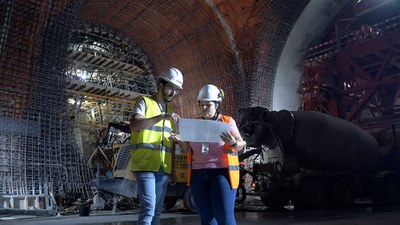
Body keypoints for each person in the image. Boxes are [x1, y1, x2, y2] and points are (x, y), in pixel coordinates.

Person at [173, 84, 246, 225]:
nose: (204, 108)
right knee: (207, 219)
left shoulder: (227, 122)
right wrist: (180, 139)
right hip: (197, 175)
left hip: (221, 174)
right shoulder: (194, 124)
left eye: (208, 105)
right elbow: (187, 150)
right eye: (201, 105)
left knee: (224, 218)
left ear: (217, 105)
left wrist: (233, 143)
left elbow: (242, 145)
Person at [129, 67, 183, 225]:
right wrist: (160, 117)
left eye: (176, 90)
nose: (173, 93)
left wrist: (172, 169)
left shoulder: (171, 111)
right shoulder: (144, 102)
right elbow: (134, 125)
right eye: (171, 88)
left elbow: (170, 143)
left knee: (157, 210)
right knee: (149, 208)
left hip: (163, 168)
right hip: (145, 164)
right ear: (161, 85)